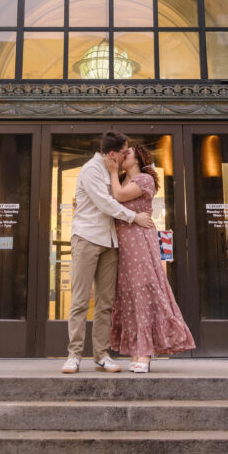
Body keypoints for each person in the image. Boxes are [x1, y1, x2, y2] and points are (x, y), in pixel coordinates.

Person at [61, 131, 155, 374]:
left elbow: (131, 191)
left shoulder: (118, 175)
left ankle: (101, 355)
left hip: (111, 243)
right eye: (124, 151)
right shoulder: (91, 170)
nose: (126, 156)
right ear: (113, 153)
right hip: (87, 238)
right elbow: (106, 203)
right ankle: (74, 355)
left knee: (105, 303)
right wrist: (135, 217)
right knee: (81, 300)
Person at [106, 144, 195, 372]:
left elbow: (118, 196)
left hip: (139, 240)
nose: (123, 156)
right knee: (128, 295)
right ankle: (136, 350)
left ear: (137, 159)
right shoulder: (122, 179)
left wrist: (113, 171)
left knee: (143, 291)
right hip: (122, 243)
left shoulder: (144, 179)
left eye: (127, 154)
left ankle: (145, 353)